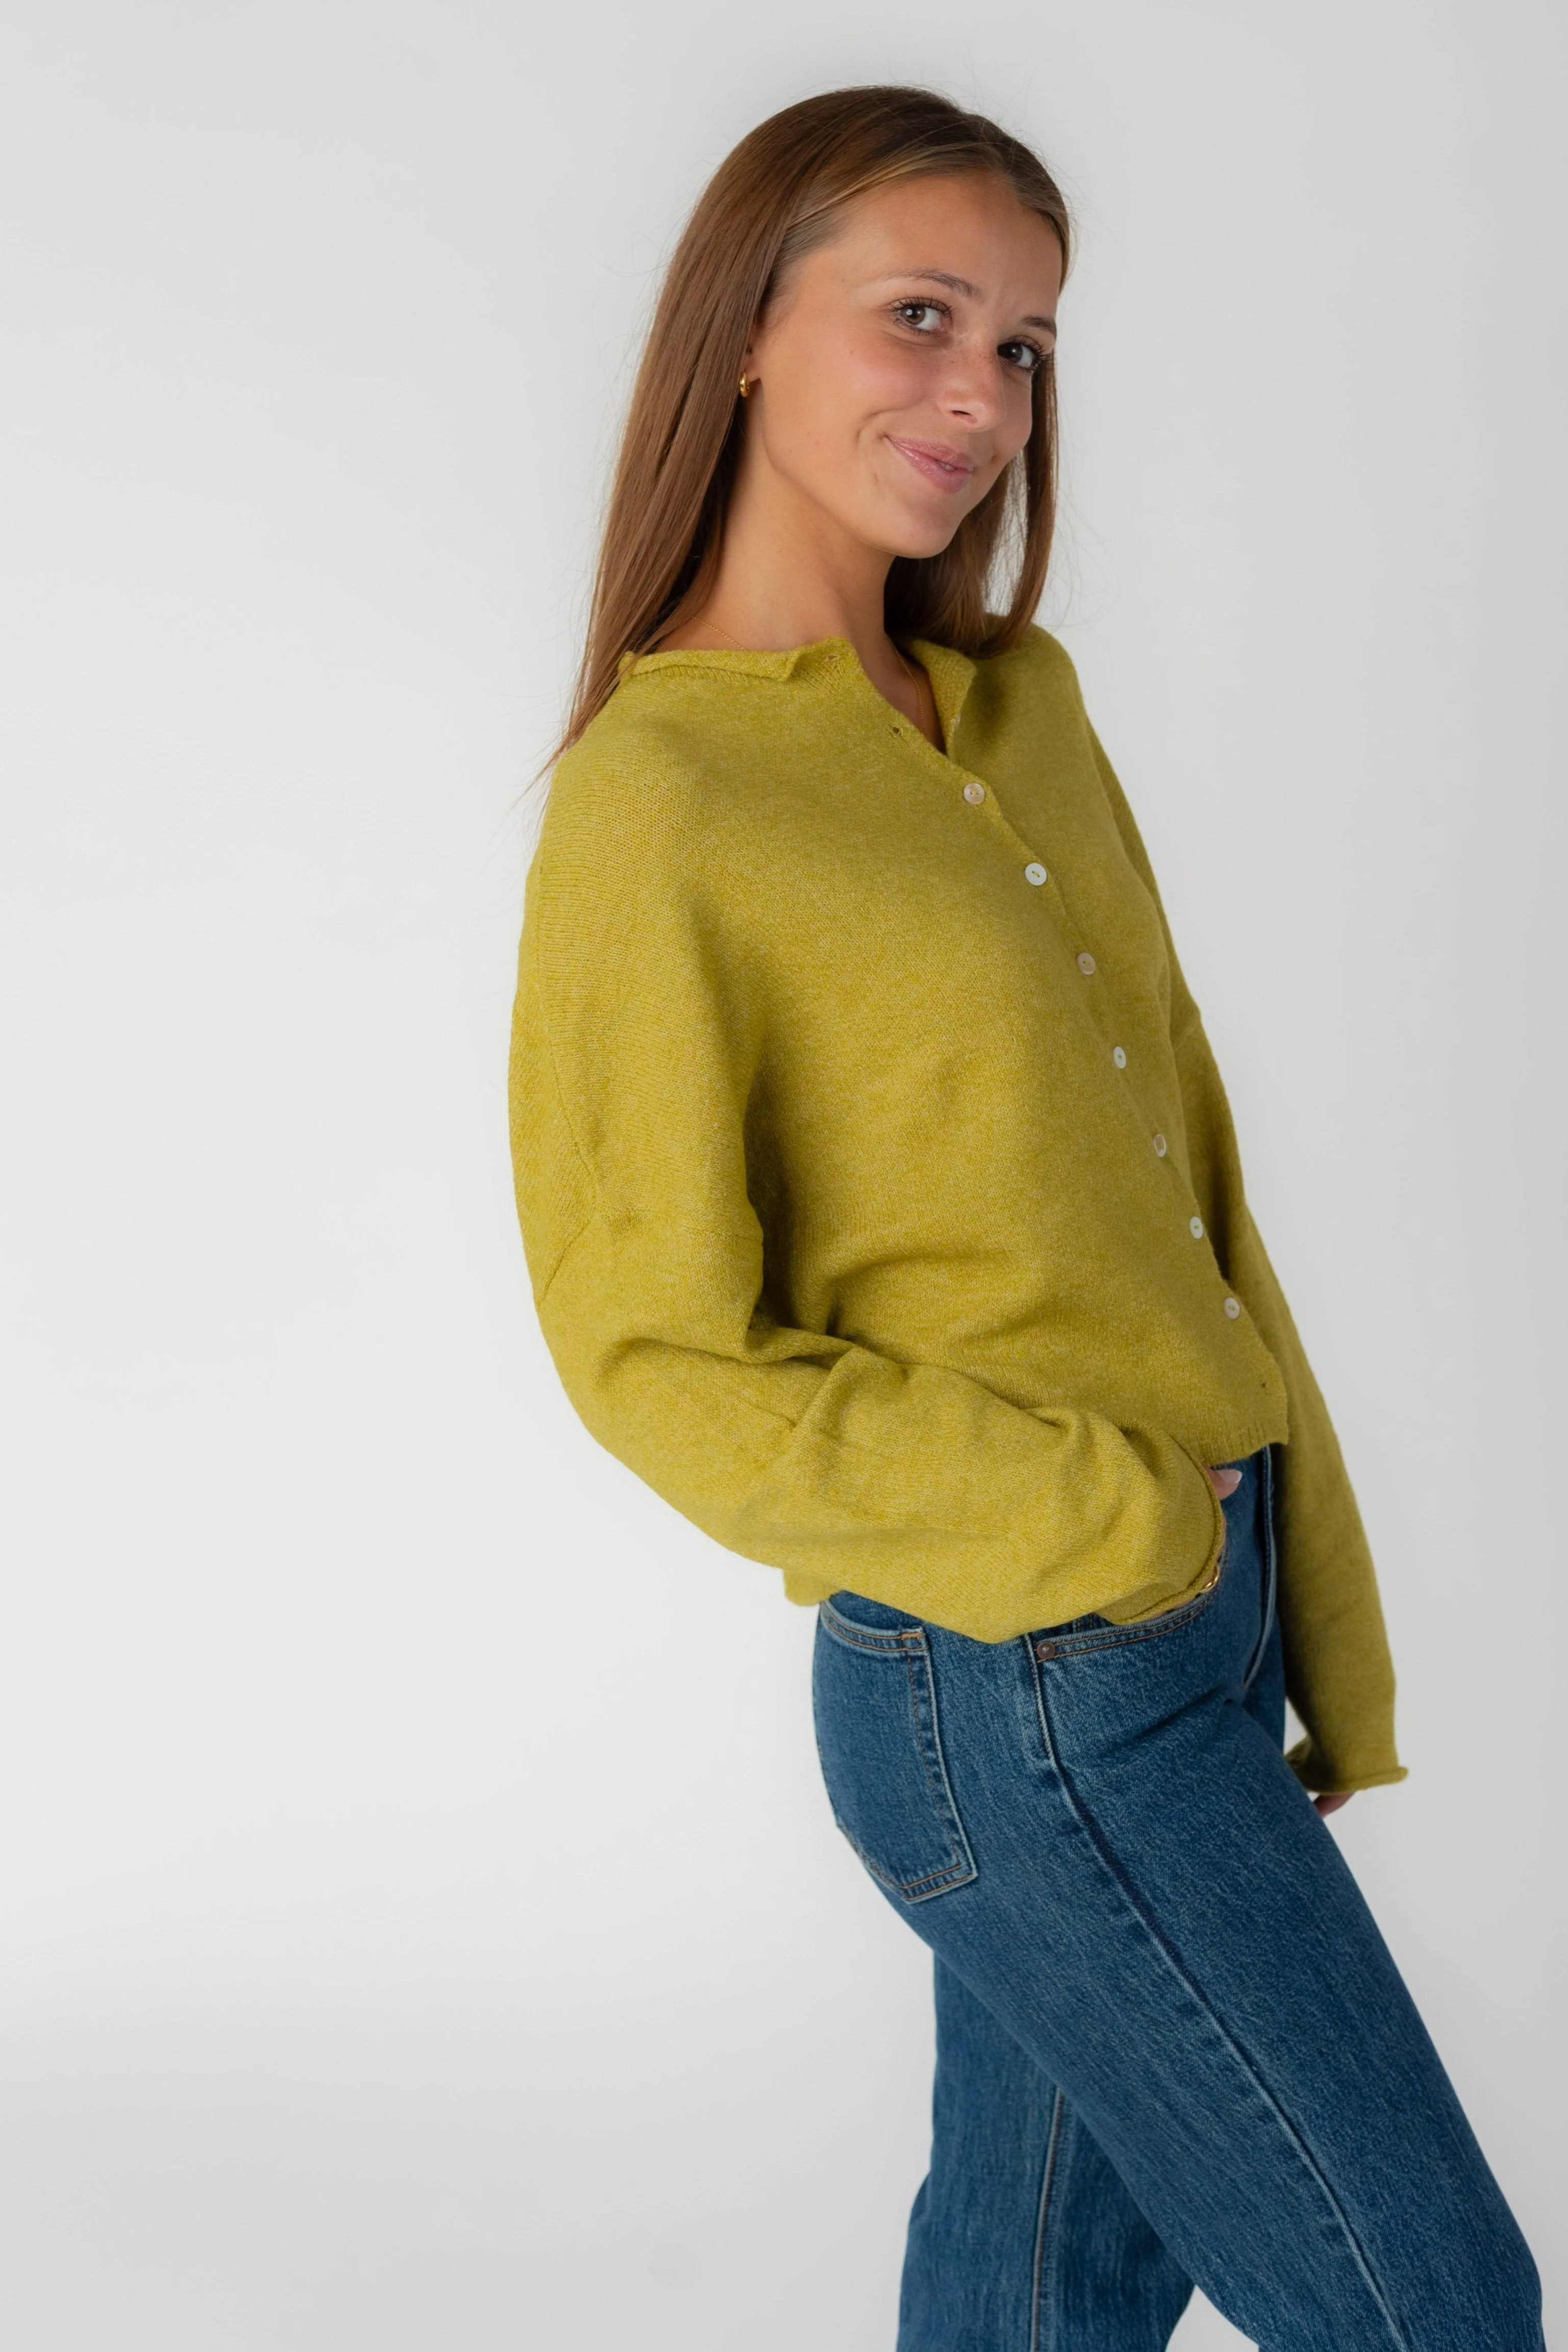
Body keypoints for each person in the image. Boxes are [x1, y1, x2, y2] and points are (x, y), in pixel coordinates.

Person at [508, 84, 1542, 2351]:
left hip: (1183, 1601)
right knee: (1438, 2307)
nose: (980, 394)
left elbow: (1189, 1183)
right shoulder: (661, 795)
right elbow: (650, 1348)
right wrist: (1101, 1519)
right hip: (1024, 1673)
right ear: (744, 328)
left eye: (1025, 345)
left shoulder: (1018, 708)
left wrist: (1286, 1593)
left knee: (1039, 2302)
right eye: (921, 316)